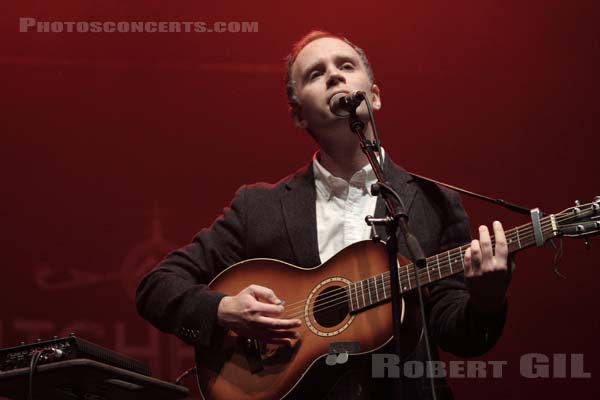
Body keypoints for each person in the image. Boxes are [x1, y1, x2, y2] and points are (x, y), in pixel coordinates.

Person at [136, 30, 513, 399]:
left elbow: (458, 334)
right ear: (299, 115)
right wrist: (224, 309)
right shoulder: (258, 207)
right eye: (315, 74)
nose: (334, 74)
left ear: (375, 97)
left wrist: (487, 300)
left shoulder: (436, 202)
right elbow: (158, 285)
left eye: (345, 65)